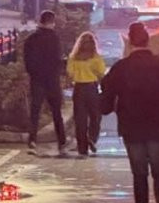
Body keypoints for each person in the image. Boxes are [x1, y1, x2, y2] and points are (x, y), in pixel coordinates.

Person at [101, 22, 159, 203]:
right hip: (157, 124)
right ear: (147, 41)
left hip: (132, 127)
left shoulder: (121, 67)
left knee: (139, 174)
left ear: (130, 43)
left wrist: (106, 107)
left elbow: (107, 94)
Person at [23, 10, 68, 156]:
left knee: (35, 111)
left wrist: (32, 73)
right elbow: (58, 59)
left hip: (37, 79)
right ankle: (62, 142)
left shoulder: (31, 39)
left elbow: (27, 60)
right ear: (52, 22)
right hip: (52, 80)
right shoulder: (54, 38)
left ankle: (32, 141)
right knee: (56, 112)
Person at [68, 31, 106, 158]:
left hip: (79, 89)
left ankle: (82, 148)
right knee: (96, 117)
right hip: (92, 89)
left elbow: (70, 73)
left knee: (80, 120)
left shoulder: (73, 58)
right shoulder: (96, 58)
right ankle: (92, 137)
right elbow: (101, 73)